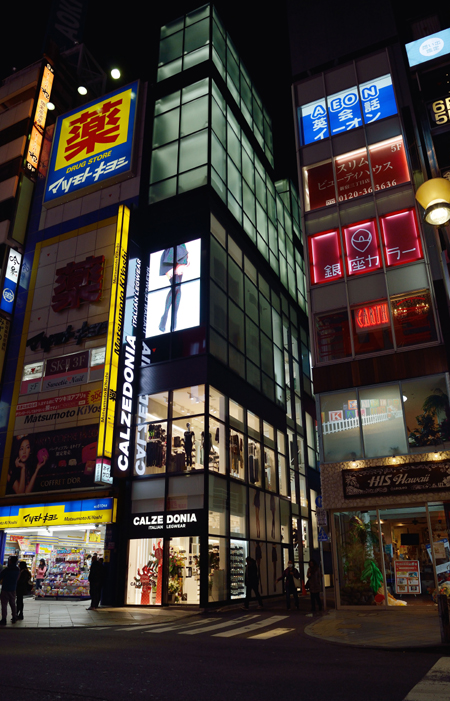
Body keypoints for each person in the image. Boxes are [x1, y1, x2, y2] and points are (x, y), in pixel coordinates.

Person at [0, 556, 20, 625]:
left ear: (10, 561)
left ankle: (4, 619)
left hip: (5, 588)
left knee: (4, 604)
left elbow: (0, 576)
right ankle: (14, 617)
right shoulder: (17, 569)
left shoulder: (7, 569)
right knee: (13, 604)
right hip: (13, 588)